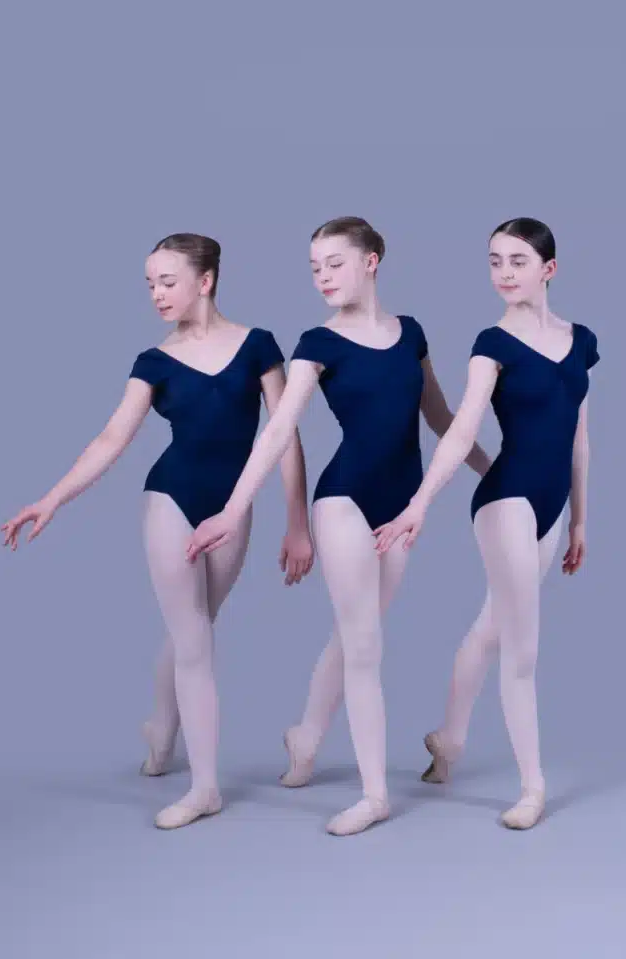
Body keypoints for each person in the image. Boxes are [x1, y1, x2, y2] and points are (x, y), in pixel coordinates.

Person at [186, 216, 490, 836]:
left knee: (358, 633)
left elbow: (440, 416)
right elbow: (278, 429)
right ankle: (375, 795)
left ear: (371, 261)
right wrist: (235, 508)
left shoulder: (411, 333)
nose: (322, 277)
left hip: (400, 502)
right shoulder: (317, 343)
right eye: (314, 268)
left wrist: (494, 469)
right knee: (366, 644)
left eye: (334, 264)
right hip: (344, 498)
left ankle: (305, 736)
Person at [0, 233, 314, 830]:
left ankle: (161, 726)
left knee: (197, 623)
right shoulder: (154, 361)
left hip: (233, 507)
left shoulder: (258, 346)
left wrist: (298, 521)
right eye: (150, 284)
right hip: (171, 498)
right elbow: (111, 439)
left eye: (168, 281)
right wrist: (51, 499)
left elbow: (285, 437)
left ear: (206, 280)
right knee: (194, 639)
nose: (157, 294)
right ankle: (205, 788)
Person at [374, 217, 599, 831]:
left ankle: (447, 740)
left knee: (493, 625)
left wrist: (580, 519)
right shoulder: (491, 343)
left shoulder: (581, 341)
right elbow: (461, 428)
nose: (504, 272)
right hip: (506, 500)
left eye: (517, 261)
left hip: (553, 505)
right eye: (495, 260)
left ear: (549, 269)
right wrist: (420, 503)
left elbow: (579, 436)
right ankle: (533, 787)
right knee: (522, 647)